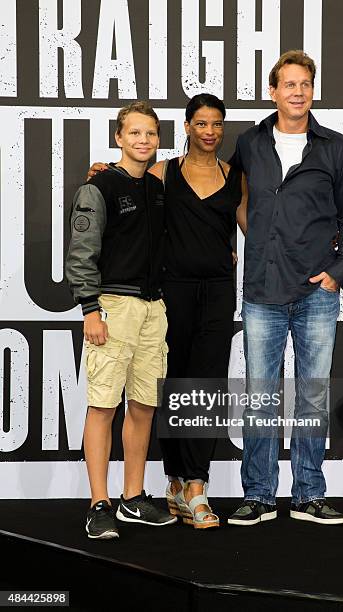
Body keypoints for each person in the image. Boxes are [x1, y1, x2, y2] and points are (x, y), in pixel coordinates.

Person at [89, 94, 246, 529]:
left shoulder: (235, 177)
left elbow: (256, 229)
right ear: (187, 127)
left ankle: (198, 485)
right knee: (171, 387)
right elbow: (127, 181)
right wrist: (101, 171)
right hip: (169, 292)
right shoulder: (164, 172)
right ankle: (174, 482)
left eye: (217, 124)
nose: (210, 131)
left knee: (207, 388)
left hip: (217, 292)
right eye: (201, 123)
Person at [227, 50, 343, 526]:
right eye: (289, 84)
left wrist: (337, 271)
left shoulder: (335, 147)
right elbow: (220, 191)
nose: (298, 92)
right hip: (263, 289)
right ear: (273, 91)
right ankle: (259, 496)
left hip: (317, 294)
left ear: (312, 90)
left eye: (305, 84)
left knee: (312, 397)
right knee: (262, 395)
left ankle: (309, 494)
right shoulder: (249, 143)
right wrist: (258, 241)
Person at [66, 101, 176, 539]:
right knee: (103, 405)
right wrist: (90, 309)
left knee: (144, 405)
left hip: (154, 309)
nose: (143, 141)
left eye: (150, 134)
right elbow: (81, 254)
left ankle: (132, 498)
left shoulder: (157, 188)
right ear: (119, 137)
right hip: (112, 307)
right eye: (134, 133)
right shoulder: (99, 187)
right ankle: (99, 503)